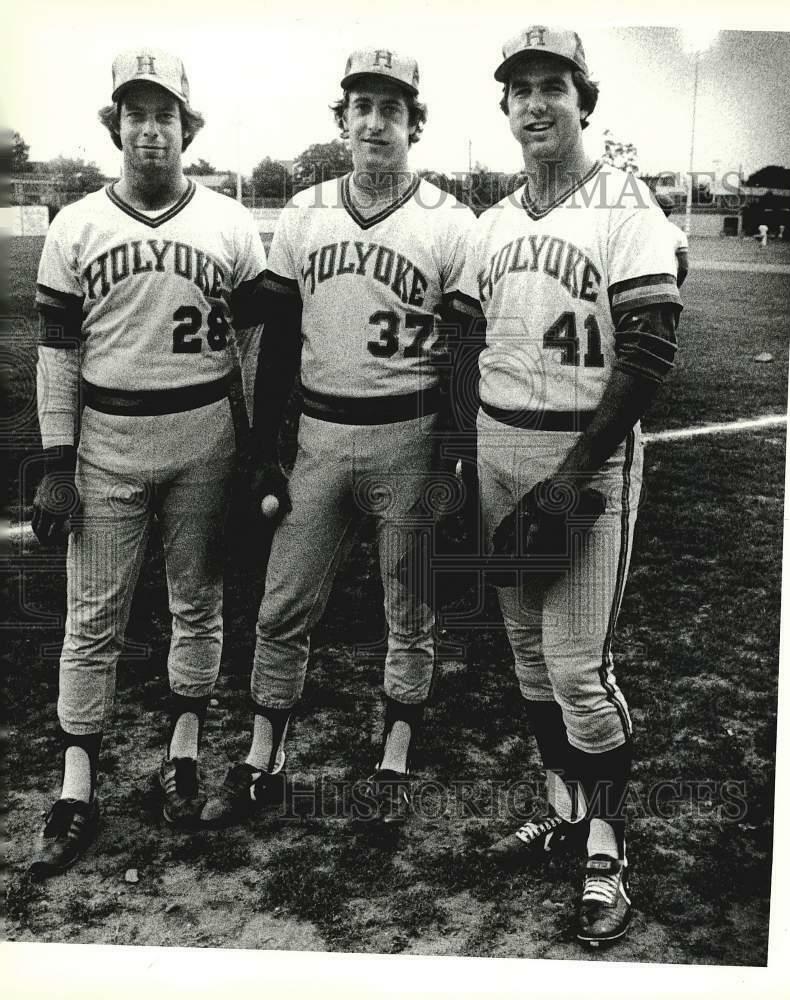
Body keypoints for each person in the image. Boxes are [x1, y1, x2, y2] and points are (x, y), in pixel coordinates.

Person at [201, 48, 474, 827]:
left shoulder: (450, 219)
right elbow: (283, 333)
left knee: (410, 607)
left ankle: (394, 758)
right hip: (319, 434)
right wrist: (261, 444)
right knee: (283, 602)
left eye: (393, 109)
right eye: (363, 107)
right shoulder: (306, 209)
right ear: (343, 120)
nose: (376, 122)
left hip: (410, 436)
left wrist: (455, 455)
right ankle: (263, 754)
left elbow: (463, 351)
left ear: (415, 125)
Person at [451, 25, 682, 945]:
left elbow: (652, 351)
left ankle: (606, 849)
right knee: (531, 661)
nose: (536, 104)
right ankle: (563, 806)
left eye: (554, 86)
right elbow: (467, 338)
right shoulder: (495, 225)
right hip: (500, 455)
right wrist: (469, 458)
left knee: (582, 671)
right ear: (504, 109)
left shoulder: (628, 207)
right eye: (520, 90)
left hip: (583, 461)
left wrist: (575, 476)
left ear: (586, 101)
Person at [28, 48, 266, 878]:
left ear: (187, 127)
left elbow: (257, 349)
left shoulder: (231, 223)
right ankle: (76, 788)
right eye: (136, 113)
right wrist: (58, 458)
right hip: (107, 444)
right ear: (116, 126)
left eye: (165, 114)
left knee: (197, 604)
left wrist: (257, 453)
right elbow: (56, 353)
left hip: (205, 436)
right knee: (91, 618)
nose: (151, 128)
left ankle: (184, 753)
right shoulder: (76, 225)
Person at [655, 191, 689, 287]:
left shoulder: (641, 230)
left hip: (641, 287)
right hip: (668, 285)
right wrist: (675, 287)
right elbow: (684, 268)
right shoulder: (678, 233)